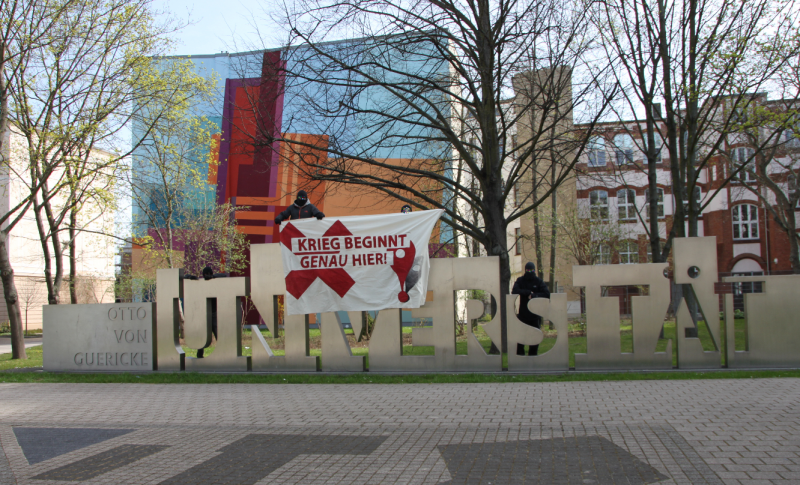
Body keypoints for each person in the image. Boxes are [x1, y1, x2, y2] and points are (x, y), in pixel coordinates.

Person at [512, 262, 550, 356]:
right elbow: (515, 291)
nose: (530, 272)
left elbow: (547, 294)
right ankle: (520, 356)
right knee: (520, 338)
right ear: (525, 270)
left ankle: (533, 356)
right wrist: (527, 292)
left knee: (535, 337)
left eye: (532, 270)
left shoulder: (538, 281)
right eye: (528, 270)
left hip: (535, 315)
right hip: (523, 315)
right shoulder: (521, 280)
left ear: (534, 270)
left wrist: (534, 295)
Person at [196, 266, 229, 358]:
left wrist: (213, 276)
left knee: (218, 334)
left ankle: (224, 353)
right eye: (206, 274)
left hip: (214, 313)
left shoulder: (215, 281)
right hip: (205, 313)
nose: (207, 276)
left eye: (209, 274)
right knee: (203, 336)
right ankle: (200, 354)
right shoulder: (201, 283)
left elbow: (224, 275)